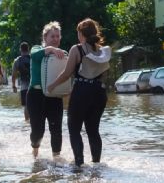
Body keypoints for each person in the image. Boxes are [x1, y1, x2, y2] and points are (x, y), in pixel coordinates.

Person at [48, 18, 110, 166]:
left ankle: (79, 164)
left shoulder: (77, 49)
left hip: (82, 91)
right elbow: (105, 75)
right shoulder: (103, 51)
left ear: (81, 34)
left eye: (78, 33)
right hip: (100, 93)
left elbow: (67, 73)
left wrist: (53, 85)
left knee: (74, 129)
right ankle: (96, 164)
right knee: (93, 130)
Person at [27, 21, 65, 157]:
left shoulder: (63, 54)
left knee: (56, 129)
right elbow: (34, 56)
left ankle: (56, 158)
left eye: (57, 36)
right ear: (45, 38)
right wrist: (52, 50)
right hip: (35, 96)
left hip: (55, 96)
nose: (55, 39)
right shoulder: (36, 49)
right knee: (38, 131)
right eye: (52, 36)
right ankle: (35, 149)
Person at [12, 42, 31, 121]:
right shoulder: (33, 58)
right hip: (35, 85)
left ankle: (27, 122)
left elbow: (14, 75)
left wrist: (14, 85)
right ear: (28, 49)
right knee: (36, 105)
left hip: (24, 86)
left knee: (26, 105)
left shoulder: (17, 60)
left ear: (20, 49)